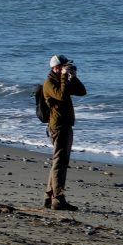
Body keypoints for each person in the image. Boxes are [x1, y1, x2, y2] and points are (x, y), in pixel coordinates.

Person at [42, 54, 86, 211]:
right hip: (58, 127)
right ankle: (58, 199)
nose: (66, 69)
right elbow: (61, 95)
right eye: (64, 67)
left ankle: (49, 197)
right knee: (60, 162)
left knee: (58, 161)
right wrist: (63, 77)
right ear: (56, 68)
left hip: (65, 125)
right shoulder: (49, 83)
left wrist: (73, 77)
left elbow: (81, 92)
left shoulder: (62, 81)